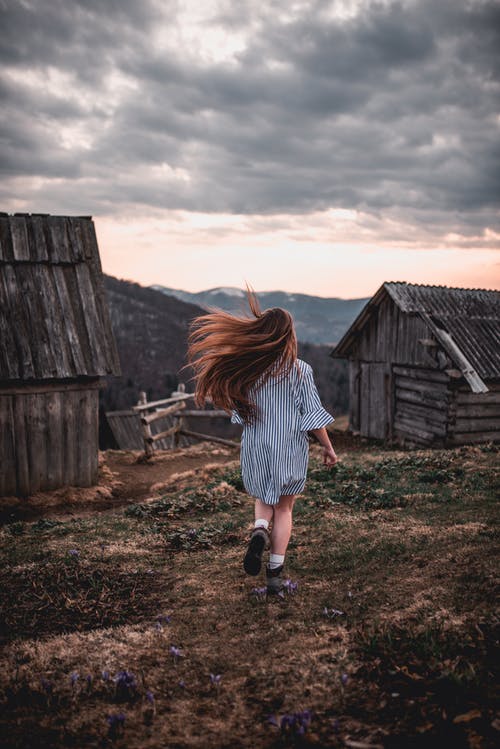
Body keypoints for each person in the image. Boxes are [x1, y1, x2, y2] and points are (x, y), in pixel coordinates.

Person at [187, 289, 338, 593]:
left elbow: (240, 412)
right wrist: (328, 447)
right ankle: (274, 577)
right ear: (288, 336)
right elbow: (312, 414)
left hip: (257, 446)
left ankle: (258, 530)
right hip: (289, 448)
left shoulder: (249, 370)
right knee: (284, 509)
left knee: (263, 499)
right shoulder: (300, 370)